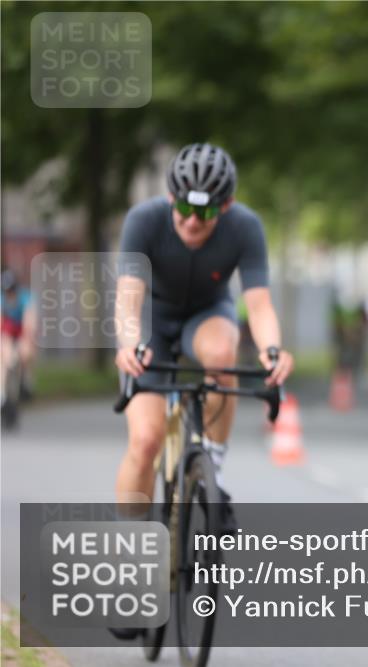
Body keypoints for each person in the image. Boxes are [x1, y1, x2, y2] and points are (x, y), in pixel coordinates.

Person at [113, 142, 294, 511]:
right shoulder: (143, 220)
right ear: (170, 198)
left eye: (206, 211)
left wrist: (272, 351)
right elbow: (128, 299)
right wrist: (129, 343)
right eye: (183, 208)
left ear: (225, 207)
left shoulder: (245, 226)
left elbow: (259, 306)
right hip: (152, 318)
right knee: (146, 440)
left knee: (223, 353)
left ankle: (213, 465)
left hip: (207, 313)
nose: (193, 220)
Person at [1, 269, 37, 412]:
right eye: (7, 291)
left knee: (25, 352)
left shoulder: (25, 297)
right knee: (4, 359)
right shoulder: (1, 299)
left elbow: (29, 323)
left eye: (12, 291)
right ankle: (2, 394)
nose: (10, 294)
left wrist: (26, 342)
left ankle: (26, 381)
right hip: (8, 329)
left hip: (22, 328)